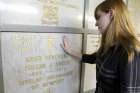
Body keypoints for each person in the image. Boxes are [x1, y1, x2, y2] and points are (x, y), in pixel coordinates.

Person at [61, 0, 140, 93]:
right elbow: (93, 58)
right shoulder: (111, 46)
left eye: (98, 17)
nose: (96, 23)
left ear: (111, 14)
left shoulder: (130, 52)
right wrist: (69, 50)